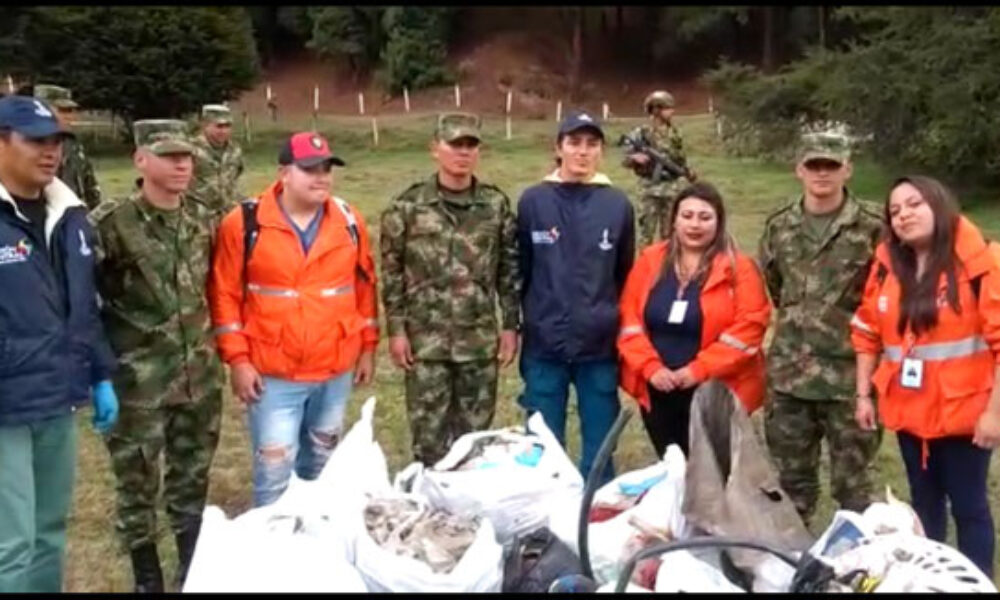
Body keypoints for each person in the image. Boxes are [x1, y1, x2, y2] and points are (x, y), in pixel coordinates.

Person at [210, 131, 378, 507]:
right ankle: (275, 554)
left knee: (322, 465)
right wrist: (237, 360)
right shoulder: (244, 223)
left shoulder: (350, 221)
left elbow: (365, 288)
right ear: (284, 173)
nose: (320, 177)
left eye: (326, 169)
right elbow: (224, 295)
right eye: (309, 169)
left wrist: (367, 348)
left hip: (334, 371)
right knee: (274, 474)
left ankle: (314, 548)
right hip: (274, 375)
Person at [91, 119, 222, 592]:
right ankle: (148, 579)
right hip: (138, 382)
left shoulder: (204, 216)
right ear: (140, 160)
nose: (182, 164)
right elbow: (85, 301)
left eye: (186, 155)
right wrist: (99, 368)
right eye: (168, 156)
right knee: (137, 484)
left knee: (192, 475)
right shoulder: (110, 224)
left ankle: (192, 568)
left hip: (199, 377)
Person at [851, 175, 1000, 577]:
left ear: (938, 204)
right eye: (895, 210)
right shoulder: (886, 266)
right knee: (923, 504)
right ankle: (928, 579)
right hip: (909, 415)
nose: (904, 215)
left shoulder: (981, 263)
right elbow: (866, 330)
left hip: (964, 415)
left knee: (969, 507)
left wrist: (994, 414)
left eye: (914, 204)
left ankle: (974, 582)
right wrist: (864, 395)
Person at [0, 95, 118, 592]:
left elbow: (83, 307)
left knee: (49, 532)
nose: (50, 153)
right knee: (11, 544)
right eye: (35, 141)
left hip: (58, 396)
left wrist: (99, 373)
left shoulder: (70, 215)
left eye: (56, 143)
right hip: (6, 406)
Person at [758, 129, 883, 525]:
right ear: (800, 169)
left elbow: (885, 295)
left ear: (848, 169)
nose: (822, 173)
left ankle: (858, 568)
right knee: (790, 486)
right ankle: (790, 568)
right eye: (814, 165)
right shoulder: (780, 225)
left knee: (855, 488)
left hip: (849, 377)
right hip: (790, 376)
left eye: (832, 165)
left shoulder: (874, 226)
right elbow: (777, 286)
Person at [380, 112, 520, 466]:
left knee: (474, 442)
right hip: (427, 343)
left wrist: (510, 326)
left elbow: (508, 269)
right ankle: (429, 508)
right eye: (455, 144)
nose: (463, 152)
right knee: (428, 441)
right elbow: (392, 272)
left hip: (478, 340)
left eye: (471, 145)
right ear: (435, 149)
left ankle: (467, 513)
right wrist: (396, 330)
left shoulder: (495, 205)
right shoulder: (407, 206)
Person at [517, 110, 635, 485]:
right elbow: (521, 268)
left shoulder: (617, 204)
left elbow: (625, 273)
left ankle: (594, 519)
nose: (583, 152)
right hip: (544, 343)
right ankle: (543, 522)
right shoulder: (533, 201)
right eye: (574, 143)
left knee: (600, 448)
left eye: (592, 144)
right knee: (542, 445)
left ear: (600, 151)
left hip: (598, 347)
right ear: (558, 148)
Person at [618, 182, 771, 457]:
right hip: (659, 388)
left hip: (717, 391)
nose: (695, 225)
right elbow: (628, 321)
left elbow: (750, 329)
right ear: (674, 220)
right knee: (673, 469)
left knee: (713, 477)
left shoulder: (740, 268)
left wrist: (698, 371)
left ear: (719, 222)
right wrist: (651, 368)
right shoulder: (650, 261)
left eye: (705, 217)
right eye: (687, 216)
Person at [622, 90, 696, 248]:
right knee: (645, 235)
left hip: (671, 188)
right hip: (648, 188)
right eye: (668, 108)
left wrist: (688, 171)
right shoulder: (641, 133)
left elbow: (680, 158)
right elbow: (625, 159)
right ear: (656, 110)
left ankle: (666, 269)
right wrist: (635, 158)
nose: (672, 112)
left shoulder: (675, 133)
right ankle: (645, 269)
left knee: (670, 235)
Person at [33, 84, 102, 210]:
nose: (71, 117)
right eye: (63, 110)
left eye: (71, 111)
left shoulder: (72, 145)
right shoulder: (20, 146)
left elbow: (90, 190)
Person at [190, 103, 244, 224]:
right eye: (219, 126)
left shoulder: (234, 150)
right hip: (199, 219)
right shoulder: (190, 150)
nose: (224, 131)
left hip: (229, 217)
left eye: (227, 126)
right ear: (205, 125)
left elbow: (235, 177)